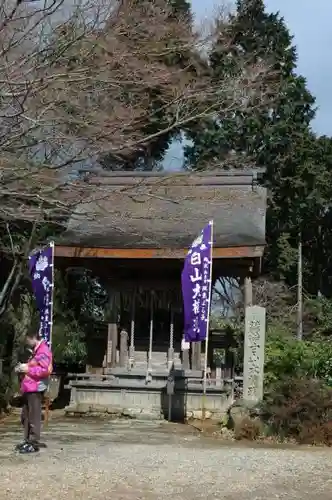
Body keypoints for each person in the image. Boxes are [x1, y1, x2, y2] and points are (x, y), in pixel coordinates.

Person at [15, 330, 53, 454]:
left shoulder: (43, 351)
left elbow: (45, 370)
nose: (27, 343)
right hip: (28, 387)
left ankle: (33, 441)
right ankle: (27, 440)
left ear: (33, 338)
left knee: (34, 415)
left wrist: (27, 369)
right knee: (25, 416)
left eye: (27, 340)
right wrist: (23, 367)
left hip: (36, 387)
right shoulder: (36, 351)